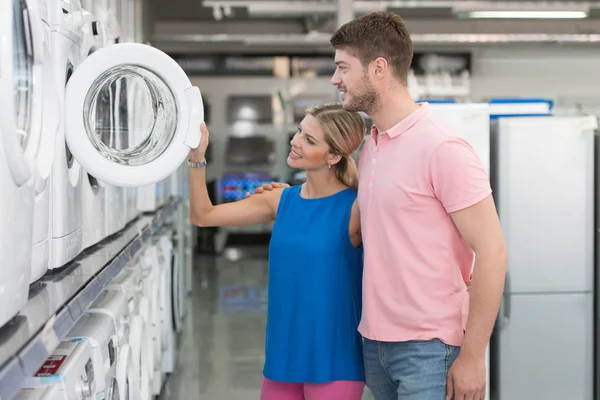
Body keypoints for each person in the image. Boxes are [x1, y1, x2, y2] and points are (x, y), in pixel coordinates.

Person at [251, 11, 508, 400]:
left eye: (343, 68)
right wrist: (293, 197)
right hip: (373, 345)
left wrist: (472, 356)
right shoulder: (372, 147)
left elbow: (493, 251)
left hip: (429, 348)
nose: (335, 79)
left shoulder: (442, 148)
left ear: (378, 68)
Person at [188, 103, 368, 400]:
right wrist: (197, 159)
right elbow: (203, 216)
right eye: (300, 131)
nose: (295, 141)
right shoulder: (279, 199)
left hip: (335, 364)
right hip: (281, 362)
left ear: (333, 156)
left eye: (309, 140)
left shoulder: (357, 208)